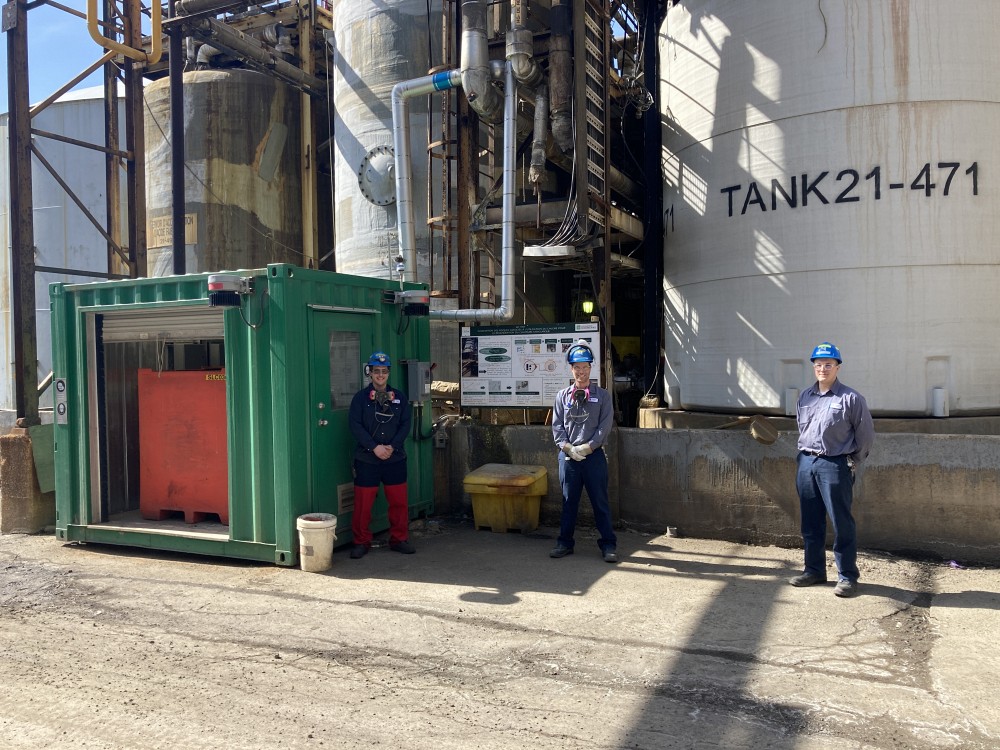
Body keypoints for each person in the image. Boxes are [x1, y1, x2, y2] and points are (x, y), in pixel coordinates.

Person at [791, 342, 875, 597]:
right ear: (814, 368)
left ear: (837, 367)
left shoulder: (851, 398)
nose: (823, 369)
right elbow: (801, 427)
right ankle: (814, 570)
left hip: (835, 464)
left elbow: (866, 435)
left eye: (828, 364)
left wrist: (851, 461)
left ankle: (848, 576)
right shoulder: (805, 396)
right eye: (818, 365)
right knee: (810, 521)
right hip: (807, 462)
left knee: (841, 522)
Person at [549, 340, 618, 563]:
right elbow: (557, 426)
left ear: (591, 368)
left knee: (600, 501)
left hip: (593, 456)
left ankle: (608, 545)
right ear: (571, 369)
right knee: (569, 501)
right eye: (577, 367)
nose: (581, 372)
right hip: (569, 458)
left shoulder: (603, 396)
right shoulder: (562, 396)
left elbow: (605, 425)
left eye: (585, 367)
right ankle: (564, 542)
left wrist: (589, 447)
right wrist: (567, 447)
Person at [347, 351, 414, 558]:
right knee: (363, 504)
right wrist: (374, 447)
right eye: (377, 371)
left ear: (389, 373)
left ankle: (399, 539)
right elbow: (355, 425)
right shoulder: (360, 399)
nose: (381, 375)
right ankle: (361, 541)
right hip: (368, 458)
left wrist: (392, 446)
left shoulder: (400, 398)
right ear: (370, 373)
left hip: (395, 457)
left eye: (384, 371)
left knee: (399, 502)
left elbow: (405, 424)